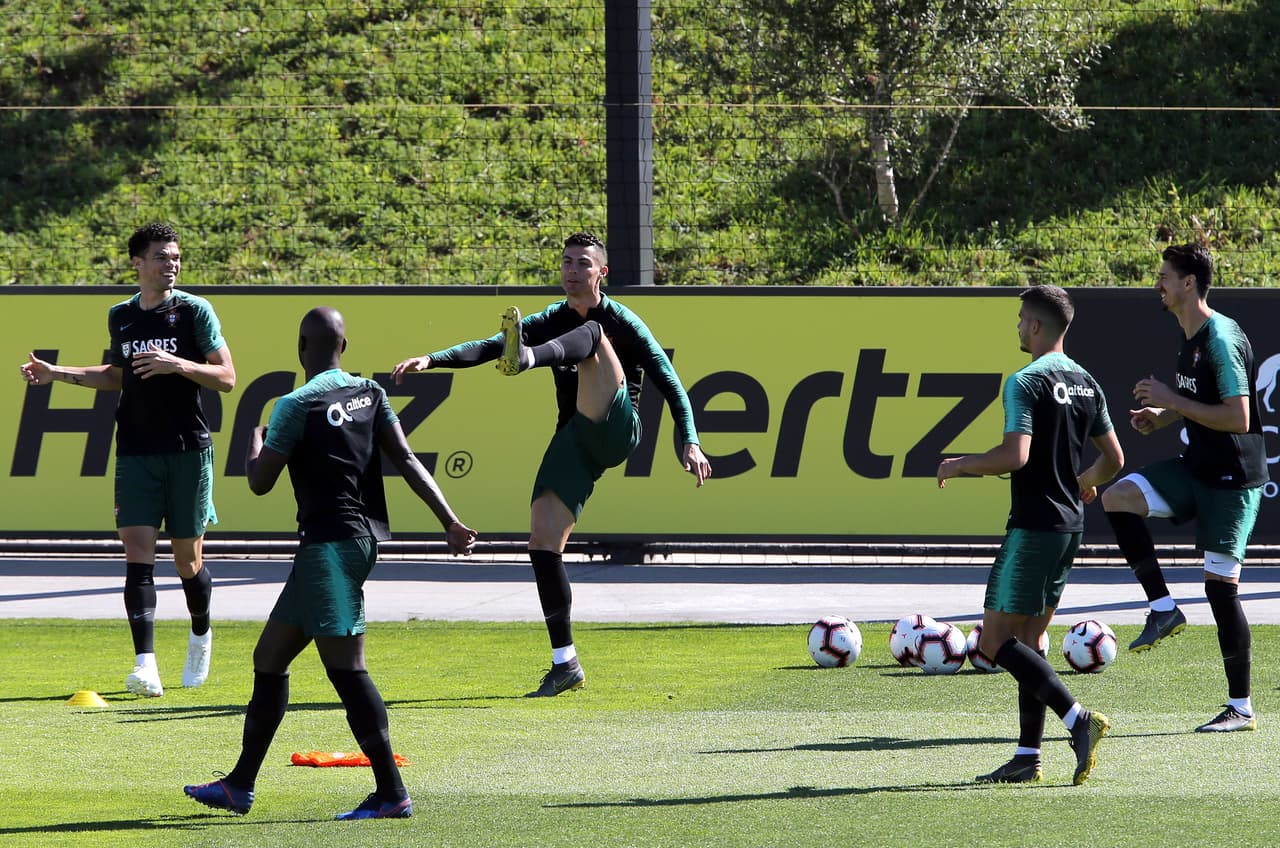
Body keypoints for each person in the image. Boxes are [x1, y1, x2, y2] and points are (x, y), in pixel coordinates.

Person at [184, 307, 476, 820]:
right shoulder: (372, 393)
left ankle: (392, 793)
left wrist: (254, 439)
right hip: (354, 543)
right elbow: (407, 459)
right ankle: (239, 785)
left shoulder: (296, 405)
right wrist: (449, 521)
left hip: (329, 549)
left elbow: (259, 481)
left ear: (301, 348)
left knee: (347, 670)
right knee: (269, 658)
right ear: (345, 345)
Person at [392, 231, 711, 697]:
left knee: (593, 335)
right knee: (542, 541)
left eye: (583, 263)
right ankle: (566, 663)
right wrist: (431, 359)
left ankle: (527, 359)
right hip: (576, 441)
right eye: (566, 262)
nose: (572, 270)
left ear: (602, 272)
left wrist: (690, 440)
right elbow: (487, 346)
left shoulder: (621, 320)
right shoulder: (552, 317)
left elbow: (670, 382)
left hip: (618, 425)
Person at [19, 222, 235, 698]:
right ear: (138, 263)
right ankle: (146, 666)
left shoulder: (194, 312)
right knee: (137, 557)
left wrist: (178, 364)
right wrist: (57, 373)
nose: (171, 264)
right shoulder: (121, 316)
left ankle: (200, 632)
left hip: (187, 450)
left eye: (175, 256)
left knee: (186, 560)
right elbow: (116, 375)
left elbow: (227, 377)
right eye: (161, 256)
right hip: (136, 451)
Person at [938, 284, 1124, 785]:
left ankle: (1078, 718)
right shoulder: (1088, 382)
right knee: (1031, 638)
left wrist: (961, 465)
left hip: (1033, 526)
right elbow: (1115, 459)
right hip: (1070, 526)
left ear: (1037, 327)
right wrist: (1082, 484)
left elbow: (1015, 456)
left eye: (1022, 319)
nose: (1018, 327)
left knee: (994, 642)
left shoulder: (1024, 380)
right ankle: (1027, 756)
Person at [1100, 243, 1268, 733]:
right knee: (1119, 496)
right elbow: (1201, 398)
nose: (1159, 284)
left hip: (1234, 482)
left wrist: (1171, 398)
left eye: (1165, 277)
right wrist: (1164, 413)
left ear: (1188, 283)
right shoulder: (1189, 334)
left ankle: (1241, 707)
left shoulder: (1218, 338)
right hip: (1198, 469)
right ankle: (1163, 609)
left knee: (1219, 588)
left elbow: (1238, 417)